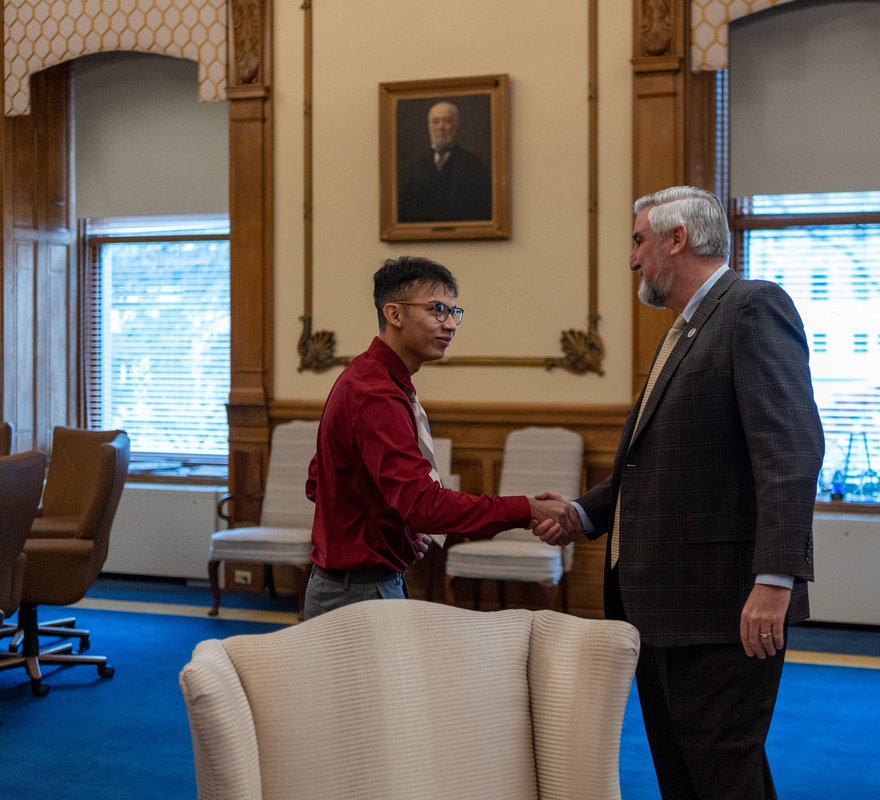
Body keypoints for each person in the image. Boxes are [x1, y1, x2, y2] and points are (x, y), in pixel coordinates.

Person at [540, 186, 824, 799]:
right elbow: (657, 462)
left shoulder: (751, 309)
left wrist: (775, 580)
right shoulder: (689, 327)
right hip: (666, 607)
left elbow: (791, 456)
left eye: (638, 240)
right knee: (686, 774)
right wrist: (582, 513)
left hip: (723, 607)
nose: (632, 259)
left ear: (677, 238)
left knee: (724, 774)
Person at [305, 256, 566, 619]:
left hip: (360, 584)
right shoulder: (375, 392)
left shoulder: (373, 378)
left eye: (454, 313)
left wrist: (398, 526)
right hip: (356, 593)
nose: (450, 325)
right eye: (437, 310)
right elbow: (423, 506)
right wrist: (528, 509)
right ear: (394, 314)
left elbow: (320, 480)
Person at [397, 101, 492, 223]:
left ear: (456, 125)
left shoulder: (475, 167)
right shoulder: (413, 169)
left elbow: (483, 214)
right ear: (429, 126)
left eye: (447, 121)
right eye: (435, 121)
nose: (441, 127)